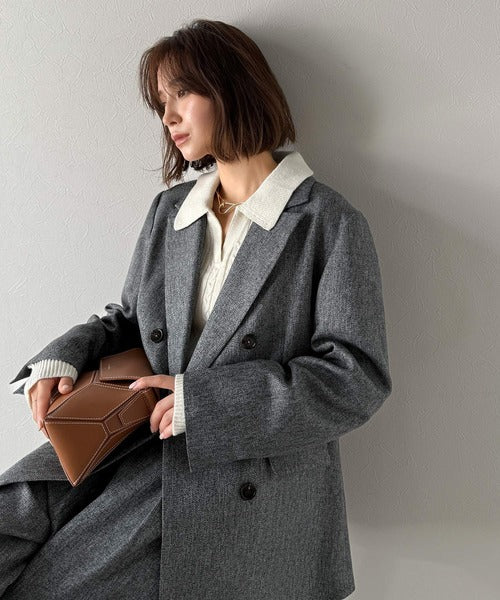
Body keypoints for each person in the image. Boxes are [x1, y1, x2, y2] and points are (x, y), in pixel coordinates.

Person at [1, 18, 392, 600]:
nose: (168, 117)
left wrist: (202, 404)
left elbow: (355, 378)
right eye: (161, 102)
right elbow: (132, 321)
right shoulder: (171, 212)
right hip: (135, 444)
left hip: (244, 483)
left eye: (181, 93)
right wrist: (63, 357)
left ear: (232, 87)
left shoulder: (326, 224)